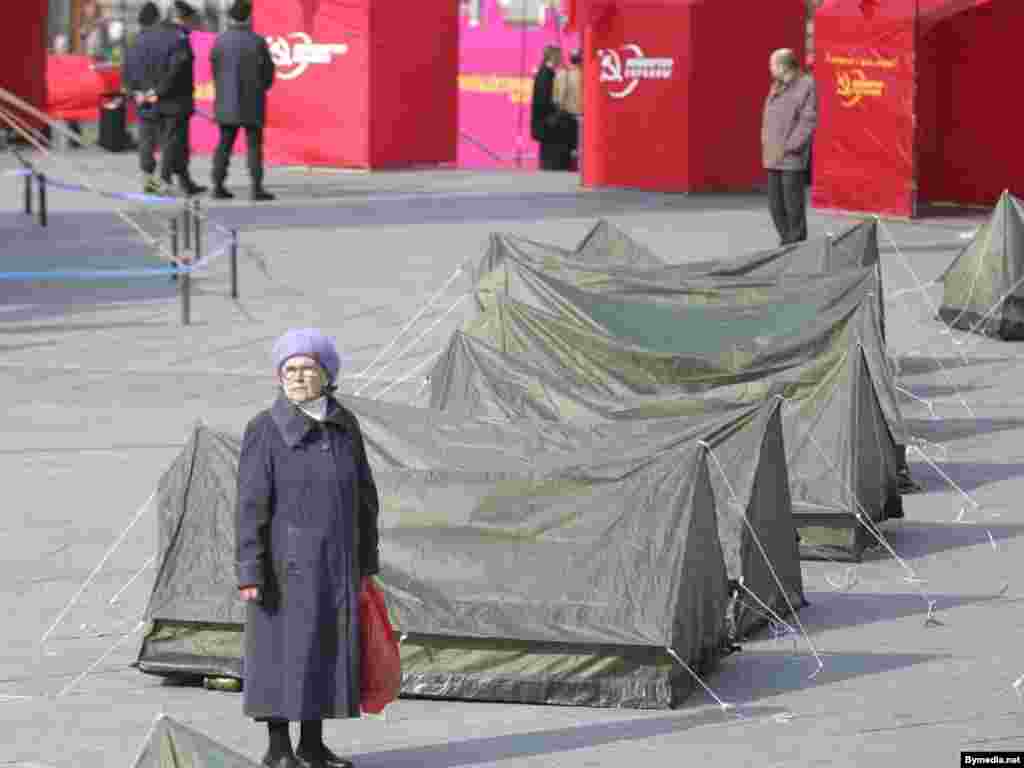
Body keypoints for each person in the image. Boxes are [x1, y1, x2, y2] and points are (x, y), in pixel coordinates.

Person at [236, 328, 381, 768]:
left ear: (327, 374)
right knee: (278, 655)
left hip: (336, 565)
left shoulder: (344, 423)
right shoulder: (264, 429)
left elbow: (365, 495)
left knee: (323, 652)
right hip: (283, 566)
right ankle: (279, 749)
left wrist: (366, 559)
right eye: (290, 370)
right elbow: (249, 505)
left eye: (307, 368)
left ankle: (312, 747)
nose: (298, 377)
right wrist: (249, 569)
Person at [210, 0, 276, 202]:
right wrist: (259, 89)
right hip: (252, 102)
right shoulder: (258, 42)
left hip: (226, 101)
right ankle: (256, 187)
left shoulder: (220, 41)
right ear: (249, 16)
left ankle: (218, 185)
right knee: (254, 146)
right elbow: (268, 74)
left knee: (224, 145)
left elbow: (215, 71)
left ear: (230, 17)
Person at [762, 48, 817, 245]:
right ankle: (787, 242)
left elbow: (808, 120)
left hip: (791, 157)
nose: (770, 68)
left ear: (782, 66)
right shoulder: (777, 86)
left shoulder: (807, 85)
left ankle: (796, 244)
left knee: (793, 207)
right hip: (773, 155)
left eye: (772, 64)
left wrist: (792, 145)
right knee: (775, 206)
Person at [152, 1, 206, 196]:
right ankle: (163, 181)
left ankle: (184, 180)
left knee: (177, 143)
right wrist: (160, 90)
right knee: (172, 142)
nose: (193, 23)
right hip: (175, 100)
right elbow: (176, 69)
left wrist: (153, 91)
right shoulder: (180, 38)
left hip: (160, 99)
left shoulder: (156, 35)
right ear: (183, 18)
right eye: (191, 19)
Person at [122, 2, 164, 194]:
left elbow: (127, 73)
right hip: (161, 97)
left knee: (146, 140)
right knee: (165, 140)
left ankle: (149, 180)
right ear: (156, 20)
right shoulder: (164, 42)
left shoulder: (133, 43)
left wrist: (134, 93)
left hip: (142, 98)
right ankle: (163, 179)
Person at [530, 45, 573, 171]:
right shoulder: (546, 74)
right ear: (553, 57)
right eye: (559, 56)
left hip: (546, 122)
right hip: (547, 123)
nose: (561, 59)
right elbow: (544, 100)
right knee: (551, 158)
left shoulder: (546, 72)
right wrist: (557, 111)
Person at [553, 49, 582, 170]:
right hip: (582, 114)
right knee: (578, 143)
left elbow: (558, 96)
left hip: (567, 113)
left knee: (570, 143)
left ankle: (570, 164)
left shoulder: (562, 74)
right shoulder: (587, 74)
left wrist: (559, 108)